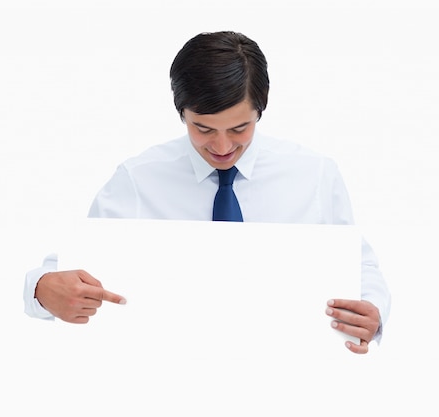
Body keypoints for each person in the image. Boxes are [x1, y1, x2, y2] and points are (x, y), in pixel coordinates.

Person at [23, 31, 391, 354]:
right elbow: (63, 273)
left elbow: (361, 267)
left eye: (239, 128)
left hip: (293, 376)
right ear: (181, 112)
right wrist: (43, 289)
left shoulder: (315, 175)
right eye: (203, 128)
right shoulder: (138, 179)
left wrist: (372, 312)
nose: (221, 146)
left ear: (260, 111)